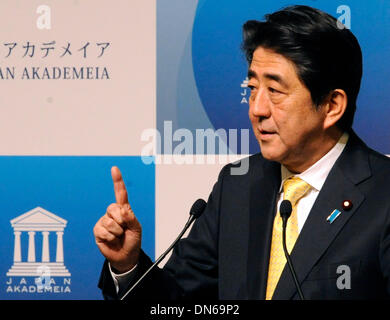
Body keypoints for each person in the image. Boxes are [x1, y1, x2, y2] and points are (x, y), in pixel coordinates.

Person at [93, 5, 390, 300]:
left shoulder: (383, 195)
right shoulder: (238, 184)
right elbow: (177, 300)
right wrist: (128, 264)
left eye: (275, 91)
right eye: (252, 87)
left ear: (331, 106)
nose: (256, 109)